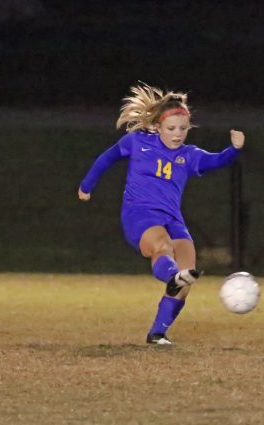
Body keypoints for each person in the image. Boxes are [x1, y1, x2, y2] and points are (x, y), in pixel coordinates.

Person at [78, 83, 244, 345]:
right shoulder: (137, 142)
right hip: (139, 215)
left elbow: (216, 161)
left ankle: (157, 334)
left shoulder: (189, 155)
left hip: (172, 219)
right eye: (171, 129)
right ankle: (171, 277)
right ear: (157, 126)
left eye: (183, 128)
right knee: (163, 248)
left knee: (186, 277)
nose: (178, 134)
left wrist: (234, 149)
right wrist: (86, 186)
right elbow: (106, 158)